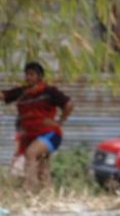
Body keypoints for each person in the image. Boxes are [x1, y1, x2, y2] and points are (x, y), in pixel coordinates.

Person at [2, 61, 73, 193]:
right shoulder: (22, 92)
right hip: (31, 136)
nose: (28, 77)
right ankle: (47, 195)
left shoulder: (49, 92)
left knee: (31, 153)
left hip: (51, 134)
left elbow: (69, 104)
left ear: (39, 77)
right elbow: (3, 95)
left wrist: (60, 122)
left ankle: (29, 190)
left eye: (32, 74)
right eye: (27, 74)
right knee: (42, 168)